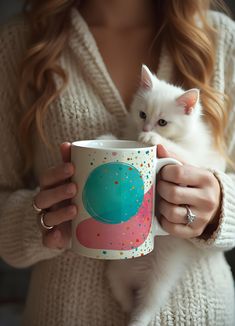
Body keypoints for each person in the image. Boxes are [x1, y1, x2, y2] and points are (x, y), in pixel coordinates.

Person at [0, 0, 235, 325]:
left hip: (202, 312)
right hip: (64, 314)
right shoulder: (19, 41)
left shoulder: (222, 36)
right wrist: (38, 221)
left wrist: (222, 207)